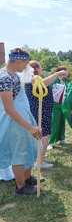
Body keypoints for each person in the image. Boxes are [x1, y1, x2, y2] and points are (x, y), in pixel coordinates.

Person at [0, 48, 42, 195]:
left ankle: (27, 177)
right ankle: (20, 187)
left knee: (28, 147)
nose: (26, 67)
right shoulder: (4, 77)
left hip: (23, 117)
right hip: (15, 122)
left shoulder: (14, 75)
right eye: (25, 63)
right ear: (18, 61)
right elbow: (9, 108)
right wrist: (30, 127)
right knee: (19, 151)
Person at [26, 60, 68, 169]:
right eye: (40, 67)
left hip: (42, 111)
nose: (42, 69)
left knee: (40, 137)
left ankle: (39, 158)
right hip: (41, 113)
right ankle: (40, 162)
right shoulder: (34, 78)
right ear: (36, 69)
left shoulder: (32, 79)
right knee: (44, 137)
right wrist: (57, 73)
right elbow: (43, 84)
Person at [48, 66, 69, 149]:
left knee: (62, 122)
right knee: (54, 123)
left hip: (62, 105)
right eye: (66, 71)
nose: (67, 73)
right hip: (54, 104)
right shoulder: (54, 80)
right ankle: (50, 142)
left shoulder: (64, 81)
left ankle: (61, 138)